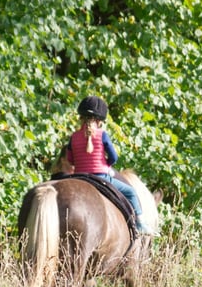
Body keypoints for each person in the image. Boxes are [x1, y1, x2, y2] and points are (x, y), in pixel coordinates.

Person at [65, 95, 155, 235]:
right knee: (130, 192)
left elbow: (70, 160)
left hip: (79, 176)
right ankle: (140, 223)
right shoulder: (102, 135)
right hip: (101, 177)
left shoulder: (74, 137)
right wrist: (106, 165)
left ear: (81, 118)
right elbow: (114, 157)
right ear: (100, 121)